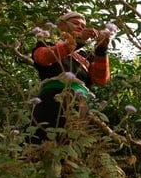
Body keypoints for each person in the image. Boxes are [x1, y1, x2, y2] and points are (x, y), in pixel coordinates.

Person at [29, 11, 111, 143]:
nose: (81, 28)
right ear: (61, 25)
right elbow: (42, 57)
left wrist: (101, 51)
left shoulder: (86, 55)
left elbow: (101, 79)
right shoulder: (48, 43)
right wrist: (77, 41)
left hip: (80, 102)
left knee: (69, 146)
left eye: (84, 26)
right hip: (52, 97)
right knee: (40, 141)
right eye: (76, 23)